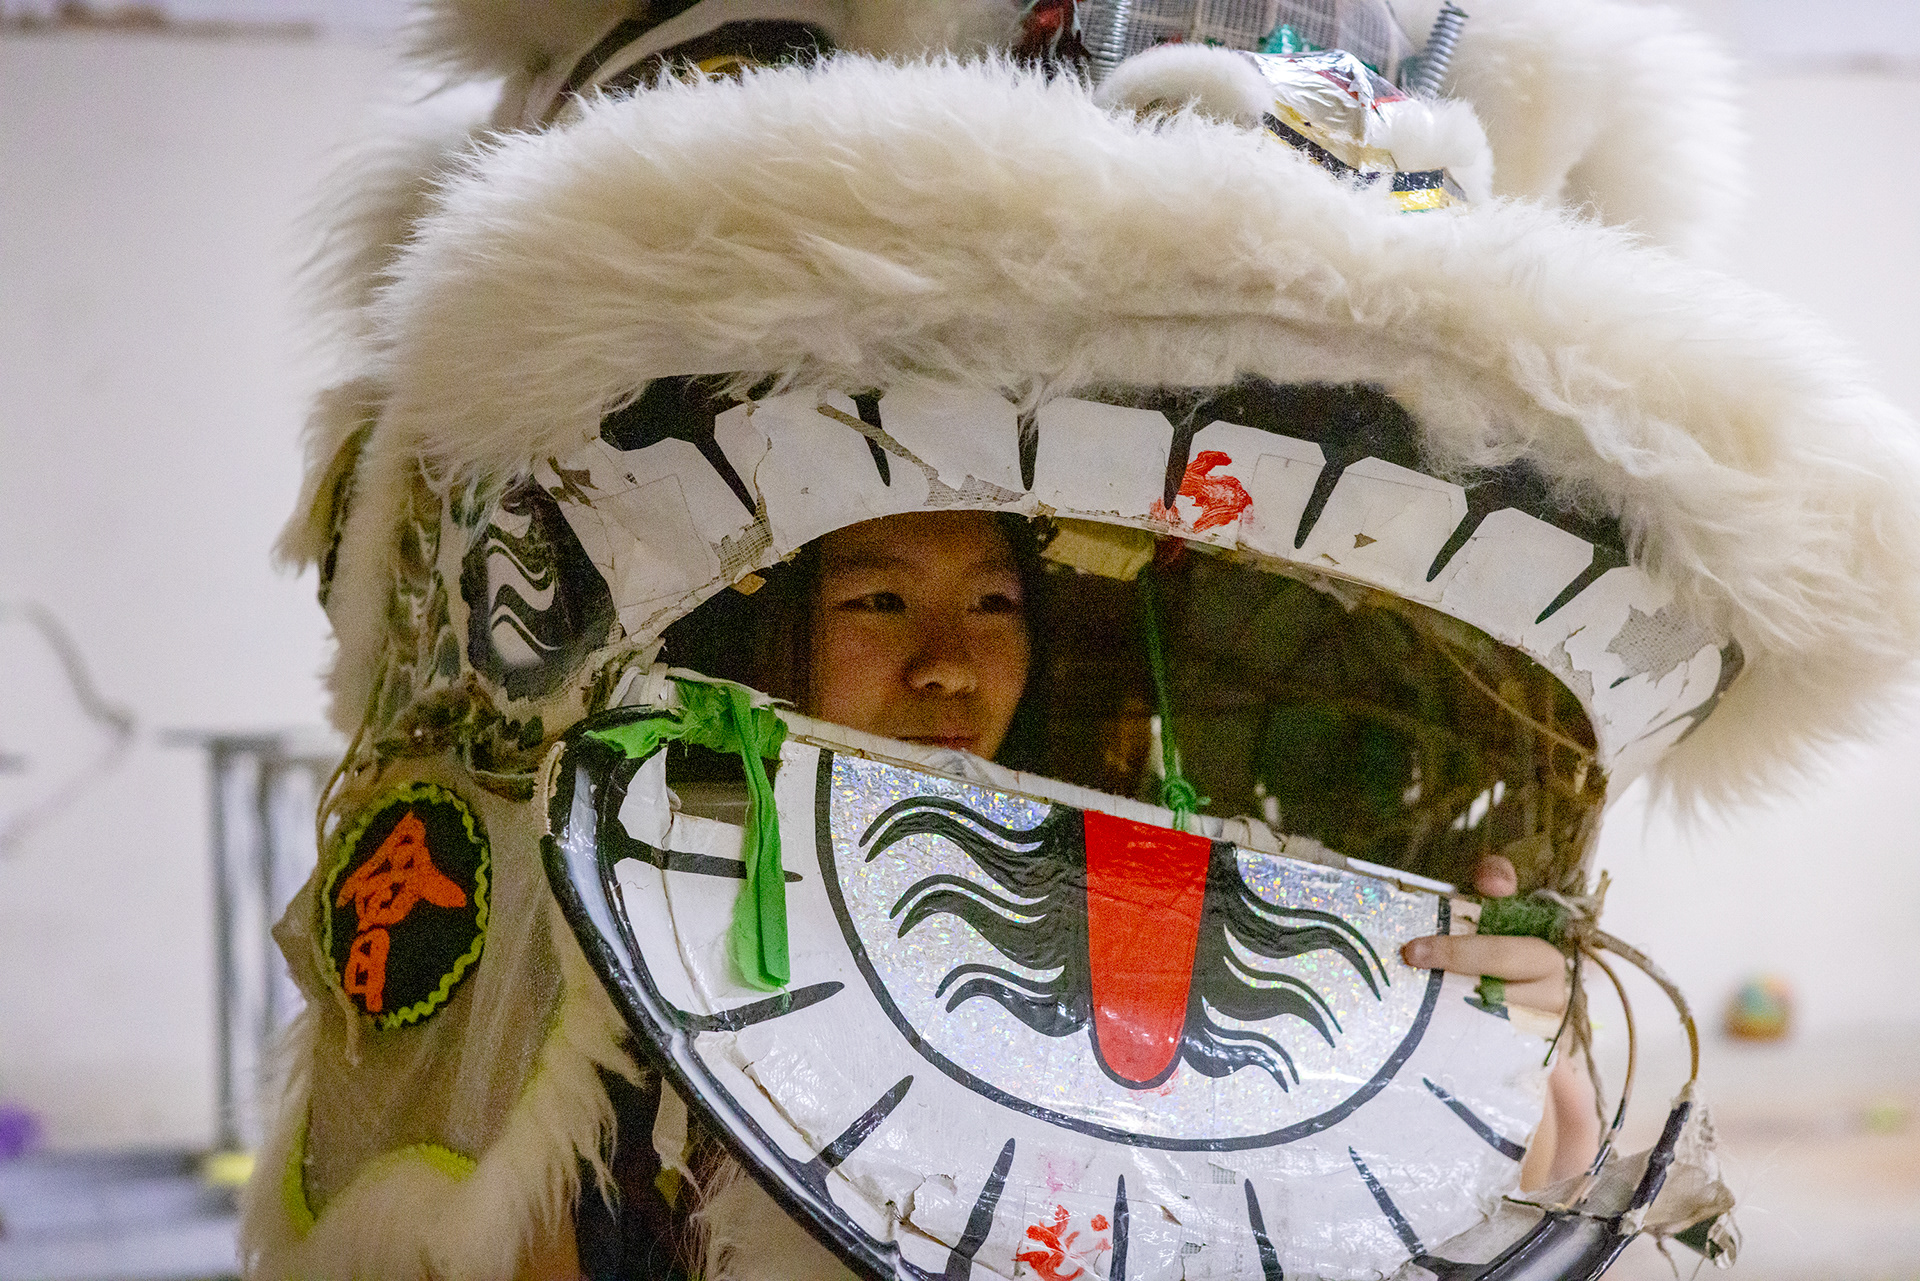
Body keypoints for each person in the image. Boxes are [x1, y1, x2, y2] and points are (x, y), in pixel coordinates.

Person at [788, 510, 1597, 1180]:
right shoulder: (672, 894)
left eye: (993, 604)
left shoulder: (1121, 903)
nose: (950, 667)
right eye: (878, 600)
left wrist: (1514, 1063)